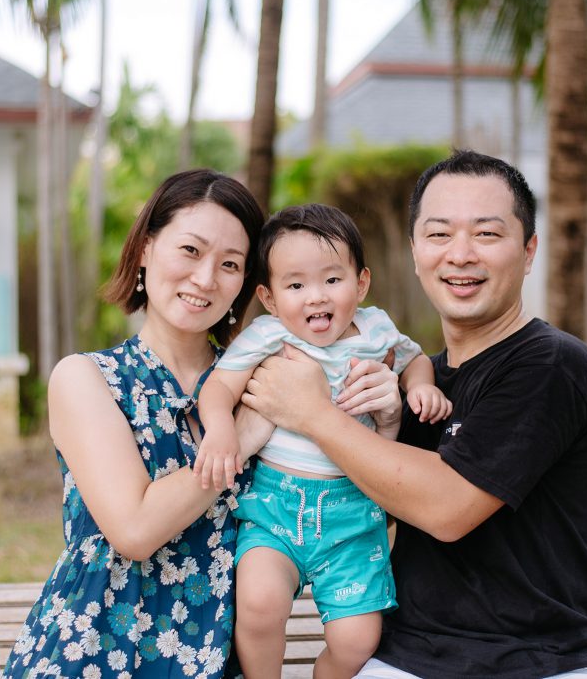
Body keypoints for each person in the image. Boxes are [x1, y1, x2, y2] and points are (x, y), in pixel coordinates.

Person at [240, 151, 587, 678]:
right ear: (416, 252)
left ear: (529, 249)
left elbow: (447, 508)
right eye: (440, 234)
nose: (461, 255)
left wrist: (312, 414)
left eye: (487, 235)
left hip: (546, 660)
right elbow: (381, 504)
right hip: (406, 658)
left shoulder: (551, 364)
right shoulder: (420, 382)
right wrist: (381, 421)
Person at [3, 169, 271, 678]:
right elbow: (134, 529)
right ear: (147, 248)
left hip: (215, 657)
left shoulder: (258, 383)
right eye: (190, 250)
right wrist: (245, 436)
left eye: (230, 264)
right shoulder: (87, 379)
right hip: (94, 651)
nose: (206, 278)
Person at [192, 203, 452, 678]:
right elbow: (218, 387)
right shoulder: (266, 335)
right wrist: (222, 431)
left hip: (353, 517)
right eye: (295, 285)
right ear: (269, 299)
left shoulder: (376, 330)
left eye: (332, 280)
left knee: (358, 640)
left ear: (362, 283)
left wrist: (419, 386)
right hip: (274, 509)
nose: (316, 297)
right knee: (258, 604)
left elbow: (415, 359)